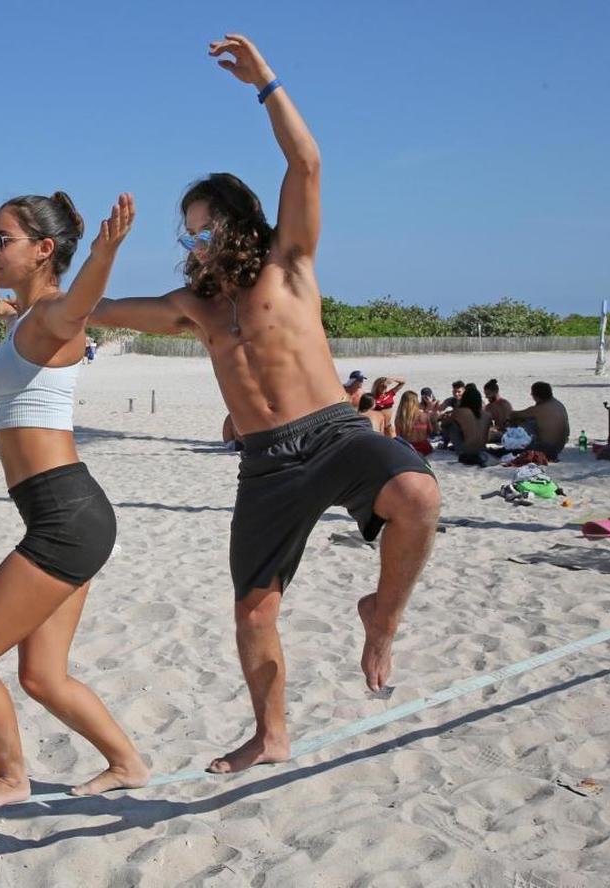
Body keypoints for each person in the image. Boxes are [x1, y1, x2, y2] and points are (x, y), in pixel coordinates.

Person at [90, 34, 439, 774]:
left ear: (240, 222)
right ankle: (270, 733)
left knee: (417, 493)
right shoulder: (196, 306)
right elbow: (107, 311)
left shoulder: (290, 262)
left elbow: (306, 163)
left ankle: (381, 617)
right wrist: (73, 278)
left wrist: (266, 83)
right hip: (267, 465)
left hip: (336, 434)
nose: (197, 243)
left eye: (206, 228)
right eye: (188, 234)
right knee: (254, 608)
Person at [0, 191, 148, 816]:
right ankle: (127, 763)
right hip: (66, 515)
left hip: (66, 518)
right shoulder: (26, 317)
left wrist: (106, 252)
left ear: (43, 250)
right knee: (43, 676)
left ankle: (10, 776)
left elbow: (78, 303)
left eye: (0, 241)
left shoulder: (57, 310)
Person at [508, 381, 570, 460]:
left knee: (525, 424)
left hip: (545, 449)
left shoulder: (539, 409)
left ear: (536, 396)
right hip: (559, 447)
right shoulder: (558, 404)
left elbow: (514, 415)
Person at [440, 383, 492, 465]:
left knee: (451, 424)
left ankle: (448, 445)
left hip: (465, 451)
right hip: (482, 448)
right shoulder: (485, 413)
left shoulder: (460, 411)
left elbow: (445, 423)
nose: (456, 394)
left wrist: (449, 416)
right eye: (454, 392)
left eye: (459, 392)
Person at [395, 390, 433, 456]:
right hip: (424, 448)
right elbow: (430, 431)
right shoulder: (424, 415)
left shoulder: (399, 419)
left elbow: (399, 437)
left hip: (409, 449)